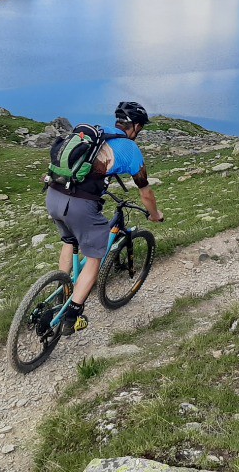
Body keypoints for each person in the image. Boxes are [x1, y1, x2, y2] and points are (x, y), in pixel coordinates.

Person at [45, 101, 163, 335]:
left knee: (70, 241)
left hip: (53, 195)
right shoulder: (130, 150)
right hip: (80, 205)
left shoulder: (97, 134)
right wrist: (154, 215)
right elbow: (146, 192)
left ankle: (63, 288)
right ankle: (72, 316)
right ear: (137, 127)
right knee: (94, 258)